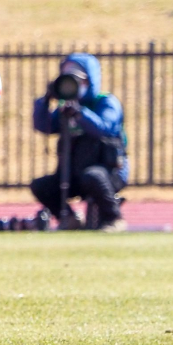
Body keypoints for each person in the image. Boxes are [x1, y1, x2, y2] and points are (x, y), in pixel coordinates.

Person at [29, 53, 127, 232]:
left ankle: (113, 219)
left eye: (77, 80)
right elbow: (44, 126)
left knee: (94, 176)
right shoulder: (65, 109)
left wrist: (80, 114)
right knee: (41, 186)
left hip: (107, 171)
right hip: (73, 173)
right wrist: (44, 101)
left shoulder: (106, 102)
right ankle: (70, 218)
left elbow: (105, 128)